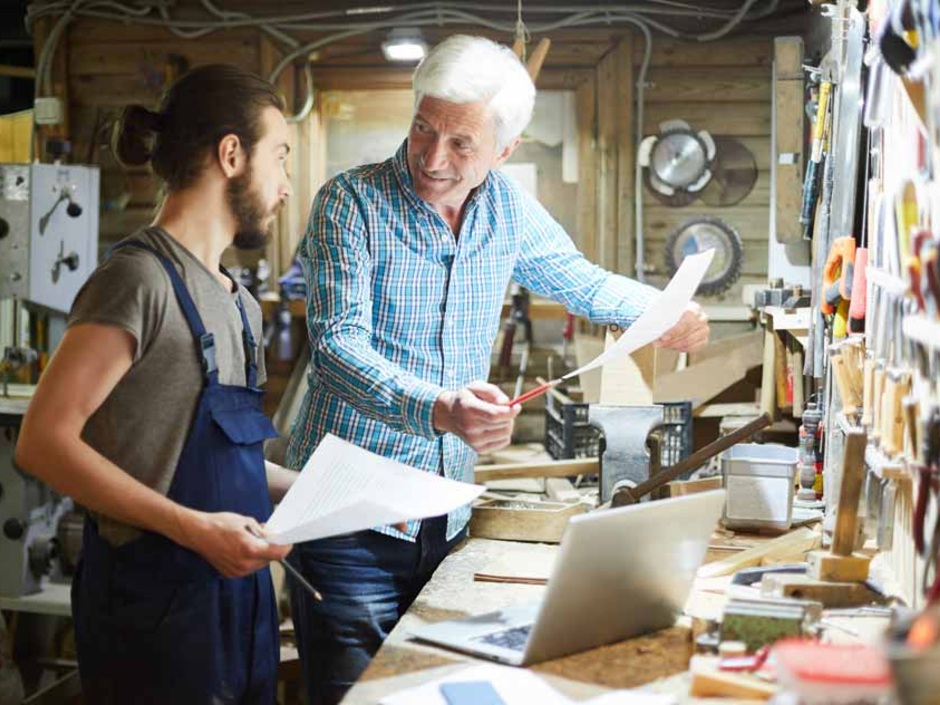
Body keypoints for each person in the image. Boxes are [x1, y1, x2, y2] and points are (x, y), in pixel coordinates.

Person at [285, 35, 710, 704]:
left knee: (429, 692)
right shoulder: (352, 202)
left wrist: (664, 310)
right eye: (424, 128)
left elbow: (576, 278)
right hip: (347, 520)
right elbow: (338, 346)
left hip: (444, 514)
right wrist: (440, 408)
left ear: (503, 150)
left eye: (461, 143)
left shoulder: (506, 208)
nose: (432, 158)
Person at [15, 64, 297, 704]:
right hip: (156, 610)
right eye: (280, 156)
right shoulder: (137, 281)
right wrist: (194, 529)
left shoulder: (240, 305)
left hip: (239, 601)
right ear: (231, 155)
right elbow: (42, 442)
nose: (285, 184)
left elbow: (224, 459)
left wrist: (328, 493)